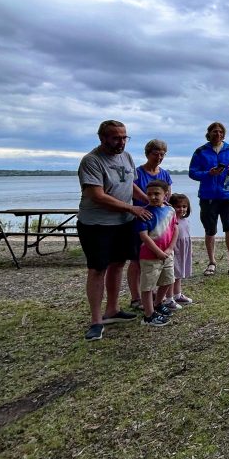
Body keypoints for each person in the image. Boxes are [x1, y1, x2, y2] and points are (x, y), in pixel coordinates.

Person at [77, 120, 152, 341]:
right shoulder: (92, 161)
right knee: (97, 269)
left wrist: (147, 200)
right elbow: (96, 196)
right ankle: (96, 321)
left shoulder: (127, 157)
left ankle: (112, 309)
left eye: (124, 137)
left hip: (124, 222)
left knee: (118, 264)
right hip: (96, 224)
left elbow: (130, 184)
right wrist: (132, 207)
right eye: (116, 138)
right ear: (102, 138)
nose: (121, 142)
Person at [189, 122, 229, 278]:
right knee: (210, 230)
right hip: (208, 196)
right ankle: (211, 262)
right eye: (214, 131)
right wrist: (208, 173)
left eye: (220, 132)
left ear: (224, 134)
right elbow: (192, 173)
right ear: (209, 133)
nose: (218, 134)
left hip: (228, 195)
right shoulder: (200, 151)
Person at [127, 139, 173, 310]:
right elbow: (133, 191)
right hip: (141, 220)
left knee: (154, 260)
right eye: (156, 153)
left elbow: (168, 197)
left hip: (160, 224)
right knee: (137, 260)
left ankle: (153, 295)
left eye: (162, 154)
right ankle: (135, 297)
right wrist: (149, 201)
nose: (159, 157)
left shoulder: (165, 174)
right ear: (147, 154)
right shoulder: (138, 173)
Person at [135, 180, 178, 326]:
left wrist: (170, 249)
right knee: (148, 286)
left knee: (168, 280)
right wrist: (158, 252)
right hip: (150, 256)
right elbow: (144, 236)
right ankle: (149, 315)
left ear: (165, 194)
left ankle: (158, 304)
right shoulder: (145, 213)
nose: (152, 197)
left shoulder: (170, 210)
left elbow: (175, 229)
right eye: (149, 194)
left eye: (157, 194)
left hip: (167, 254)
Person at [164, 193, 193, 308]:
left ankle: (177, 294)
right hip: (174, 250)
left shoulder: (185, 220)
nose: (181, 209)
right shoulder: (171, 221)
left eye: (184, 206)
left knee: (179, 273)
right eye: (178, 206)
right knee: (172, 274)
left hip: (183, 249)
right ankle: (169, 298)